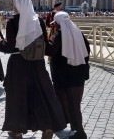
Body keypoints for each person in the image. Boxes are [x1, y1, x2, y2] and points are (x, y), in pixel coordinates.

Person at [0, 0, 66, 139]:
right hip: (37, 64)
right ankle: (47, 126)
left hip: (18, 65)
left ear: (18, 4)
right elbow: (45, 45)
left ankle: (17, 130)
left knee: (17, 97)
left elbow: (10, 47)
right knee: (40, 95)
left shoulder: (12, 22)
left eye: (14, 3)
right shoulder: (38, 20)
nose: (13, 6)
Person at [46, 11, 90, 139]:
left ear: (58, 23)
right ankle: (69, 125)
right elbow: (87, 51)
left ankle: (80, 132)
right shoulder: (79, 33)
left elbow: (51, 51)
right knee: (74, 104)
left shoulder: (59, 35)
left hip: (62, 76)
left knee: (67, 103)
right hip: (78, 75)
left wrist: (44, 38)